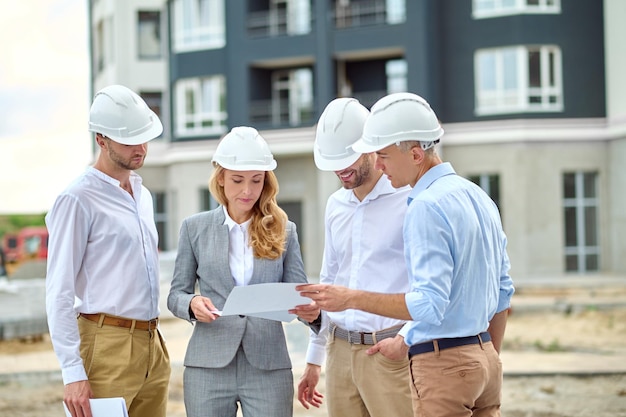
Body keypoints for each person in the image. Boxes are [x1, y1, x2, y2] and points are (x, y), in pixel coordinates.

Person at [298, 92, 515, 417]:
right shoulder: (477, 196)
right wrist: (488, 355)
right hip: (345, 350)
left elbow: (429, 300)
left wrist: (403, 338)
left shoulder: (419, 202)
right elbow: (502, 291)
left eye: (380, 155)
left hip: (401, 353)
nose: (381, 164)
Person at [167, 126, 320, 417]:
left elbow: (298, 294)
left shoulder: (285, 229)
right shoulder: (194, 228)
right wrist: (191, 303)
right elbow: (176, 293)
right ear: (221, 178)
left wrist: (311, 313)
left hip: (268, 365)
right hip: (208, 367)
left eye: (256, 180)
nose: (247, 191)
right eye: (237, 180)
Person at [45, 84, 171, 417]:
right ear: (101, 139)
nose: (141, 148)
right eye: (130, 140)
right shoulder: (76, 199)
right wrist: (73, 372)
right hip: (105, 343)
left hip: (152, 342)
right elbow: (58, 290)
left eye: (145, 137)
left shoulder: (143, 195)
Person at [297, 98, 413, 417]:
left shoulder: (409, 200)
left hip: (389, 352)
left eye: (349, 160)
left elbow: (428, 285)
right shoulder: (336, 205)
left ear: (372, 147)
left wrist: (404, 340)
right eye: (334, 163)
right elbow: (330, 283)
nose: (341, 171)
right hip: (339, 353)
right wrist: (314, 360)